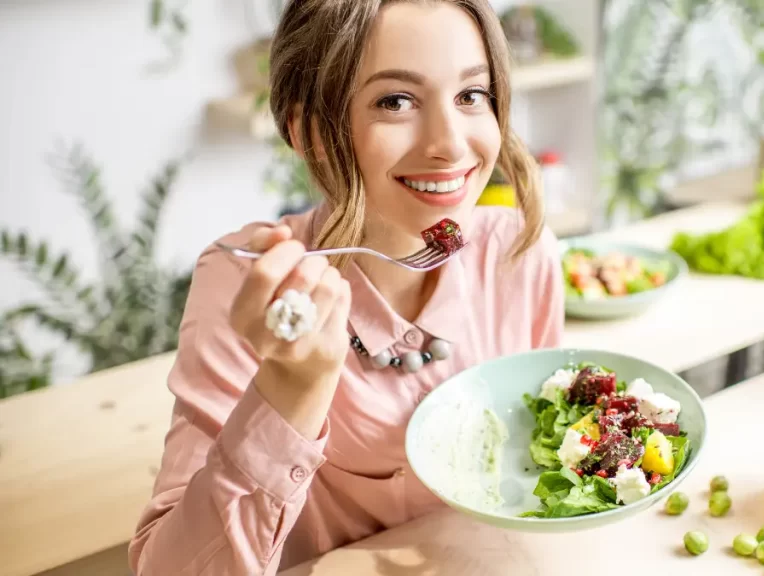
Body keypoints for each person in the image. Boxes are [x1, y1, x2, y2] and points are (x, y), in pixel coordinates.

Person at [128, 0, 564, 573]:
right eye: (396, 101)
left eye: (470, 95)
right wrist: (292, 387)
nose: (452, 144)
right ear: (308, 130)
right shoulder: (248, 283)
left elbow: (541, 457)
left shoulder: (517, 251)